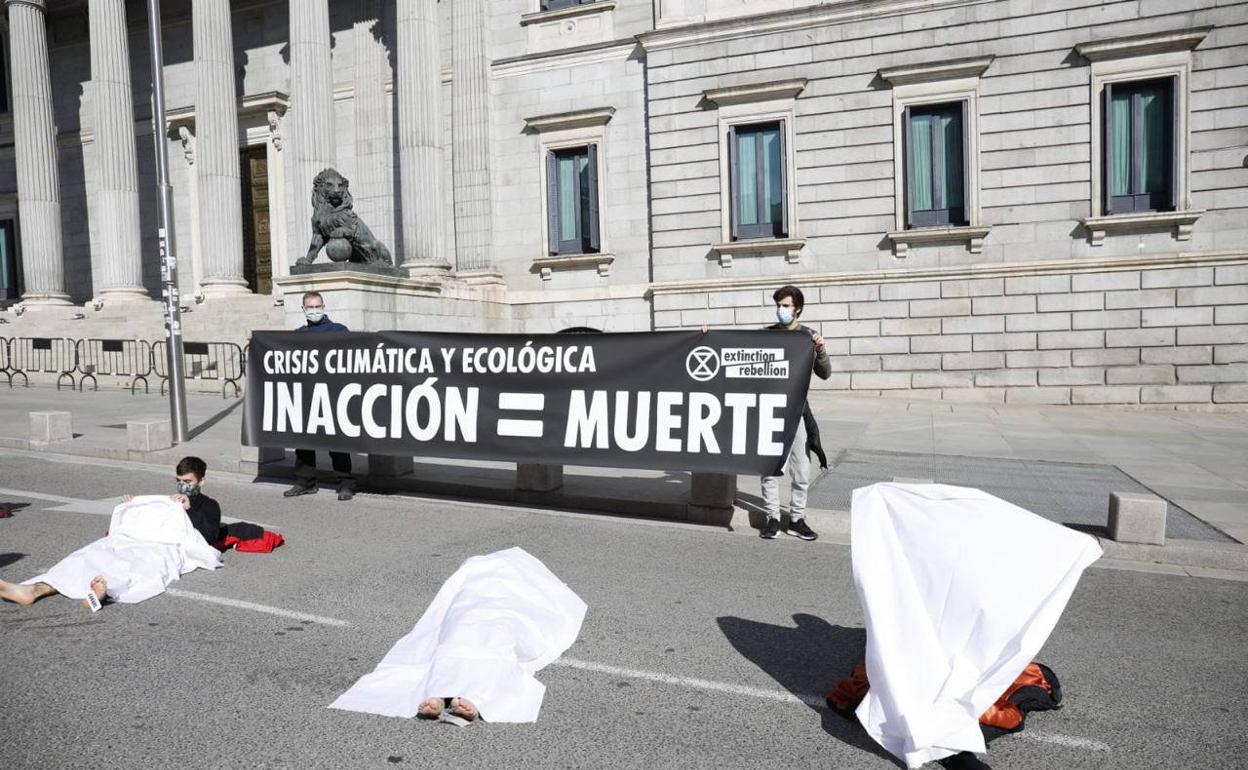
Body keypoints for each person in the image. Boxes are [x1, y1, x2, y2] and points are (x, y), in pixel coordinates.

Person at [0, 456, 225, 610]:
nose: (183, 485)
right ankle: (35, 589)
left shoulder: (210, 505)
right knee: (92, 553)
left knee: (133, 565)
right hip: (138, 540)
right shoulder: (167, 501)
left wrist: (188, 510)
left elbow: (208, 537)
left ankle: (101, 593)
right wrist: (132, 508)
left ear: (201, 481)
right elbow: (147, 524)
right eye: (179, 481)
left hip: (167, 548)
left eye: (188, 481)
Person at [760, 285, 831, 541]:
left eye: (786, 306)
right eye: (778, 305)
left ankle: (797, 519)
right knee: (769, 467)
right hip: (769, 410)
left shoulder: (808, 337)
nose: (781, 310)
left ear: (797, 309)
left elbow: (825, 373)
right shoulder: (766, 336)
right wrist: (706, 338)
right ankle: (772, 517)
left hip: (797, 411)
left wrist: (820, 351)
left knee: (801, 468)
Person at [283, 290, 357, 501]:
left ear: (323, 307)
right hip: (307, 395)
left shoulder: (339, 331)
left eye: (317, 307)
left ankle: (345, 484)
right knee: (304, 441)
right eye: (310, 307)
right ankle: (305, 482)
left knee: (337, 443)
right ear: (304, 309)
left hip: (333, 395)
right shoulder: (298, 335)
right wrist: (256, 340)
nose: (314, 310)